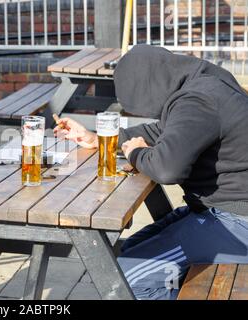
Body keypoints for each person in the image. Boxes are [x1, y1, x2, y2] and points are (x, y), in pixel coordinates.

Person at [54, 44, 248, 300]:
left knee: (126, 278)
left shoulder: (198, 100)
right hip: (222, 211)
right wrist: (98, 139)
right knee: (131, 249)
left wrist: (136, 154)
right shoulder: (202, 82)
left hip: (235, 222)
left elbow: (166, 169)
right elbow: (165, 133)